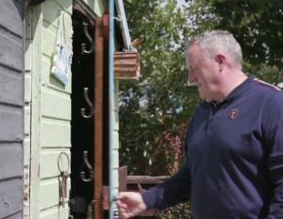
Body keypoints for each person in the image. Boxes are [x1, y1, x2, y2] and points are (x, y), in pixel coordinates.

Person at [116, 30, 283, 219]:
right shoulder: (202, 113)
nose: (190, 79)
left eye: (194, 69)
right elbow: (191, 177)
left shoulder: (272, 105)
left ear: (220, 62)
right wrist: (147, 200)